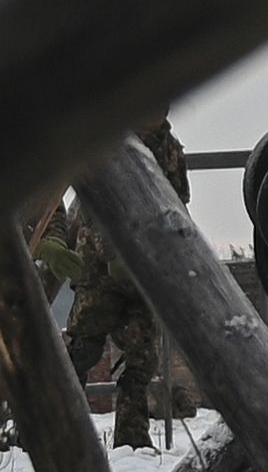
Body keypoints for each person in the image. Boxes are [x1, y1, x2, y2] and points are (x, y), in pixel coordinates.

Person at [48, 119, 192, 454]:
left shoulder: (169, 148)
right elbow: (96, 205)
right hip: (100, 268)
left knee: (141, 359)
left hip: (144, 268)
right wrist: (112, 253)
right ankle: (53, 432)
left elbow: (177, 202)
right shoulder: (111, 143)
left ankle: (132, 439)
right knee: (83, 350)